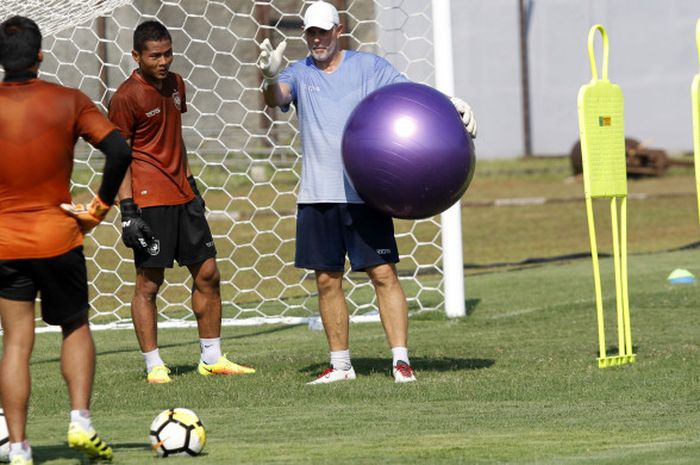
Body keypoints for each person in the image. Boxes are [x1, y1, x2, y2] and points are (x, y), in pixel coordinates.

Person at [259, 1, 477, 384]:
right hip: (318, 195)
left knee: (382, 273)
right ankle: (341, 365)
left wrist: (449, 104)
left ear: (338, 30)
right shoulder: (298, 72)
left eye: (323, 32)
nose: (316, 39)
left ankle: (401, 361)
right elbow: (277, 97)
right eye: (310, 32)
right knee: (326, 280)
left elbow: (410, 97)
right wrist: (267, 77)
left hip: (365, 192)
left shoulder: (369, 68)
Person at [0, 16, 132, 464]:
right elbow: (119, 150)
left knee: (16, 341)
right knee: (74, 326)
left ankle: (18, 448)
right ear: (40, 55)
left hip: (3, 243)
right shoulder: (68, 100)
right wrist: (98, 208)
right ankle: (80, 423)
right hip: (58, 238)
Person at [108, 20, 255, 384]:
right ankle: (154, 365)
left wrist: (191, 182)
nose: (163, 61)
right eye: (155, 55)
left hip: (183, 195)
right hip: (148, 200)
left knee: (208, 274)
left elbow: (175, 136)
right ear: (136, 56)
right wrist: (127, 210)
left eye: (168, 53)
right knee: (149, 283)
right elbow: (117, 156)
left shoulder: (176, 84)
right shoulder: (126, 96)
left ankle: (212, 358)